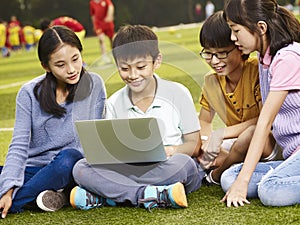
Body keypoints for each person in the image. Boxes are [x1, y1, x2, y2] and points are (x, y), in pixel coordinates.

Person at [70, 24, 205, 211]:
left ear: (156, 61)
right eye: (124, 68)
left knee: (185, 165)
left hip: (169, 165)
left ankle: (109, 194)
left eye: (141, 67)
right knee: (81, 168)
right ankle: (147, 195)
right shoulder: (114, 102)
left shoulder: (178, 93)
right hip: (131, 168)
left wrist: (170, 150)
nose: (133, 75)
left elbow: (194, 145)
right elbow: (109, 152)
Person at [0, 26, 106, 218]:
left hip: (72, 169)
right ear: (46, 66)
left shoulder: (95, 84)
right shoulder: (28, 93)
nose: (72, 69)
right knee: (5, 173)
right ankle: (48, 196)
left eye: (76, 59)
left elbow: (97, 138)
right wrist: (6, 189)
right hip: (34, 170)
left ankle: (18, 201)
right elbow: (19, 145)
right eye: (61, 64)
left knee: (68, 158)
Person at [221, 0, 300, 207]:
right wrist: (240, 181)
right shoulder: (265, 57)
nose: (232, 38)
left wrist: (244, 182)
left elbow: (265, 123)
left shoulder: (288, 58)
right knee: (229, 178)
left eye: (236, 30)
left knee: (270, 192)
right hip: (292, 155)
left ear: (261, 28)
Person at [197, 11, 280, 186]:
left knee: (247, 136)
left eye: (221, 53)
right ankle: (225, 161)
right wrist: (206, 143)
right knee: (194, 145)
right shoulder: (211, 82)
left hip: (267, 141)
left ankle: (217, 175)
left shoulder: (256, 71)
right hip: (237, 145)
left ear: (239, 47)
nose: (214, 61)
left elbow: (265, 119)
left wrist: (221, 134)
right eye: (208, 53)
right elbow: (204, 121)